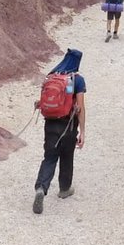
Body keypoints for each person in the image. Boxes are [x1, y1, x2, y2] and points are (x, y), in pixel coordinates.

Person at [33, 48, 86, 214]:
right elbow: (81, 107)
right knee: (66, 156)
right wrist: (83, 131)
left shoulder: (52, 76)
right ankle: (64, 189)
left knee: (49, 157)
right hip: (68, 125)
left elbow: (42, 101)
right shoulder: (77, 80)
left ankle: (41, 187)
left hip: (50, 123)